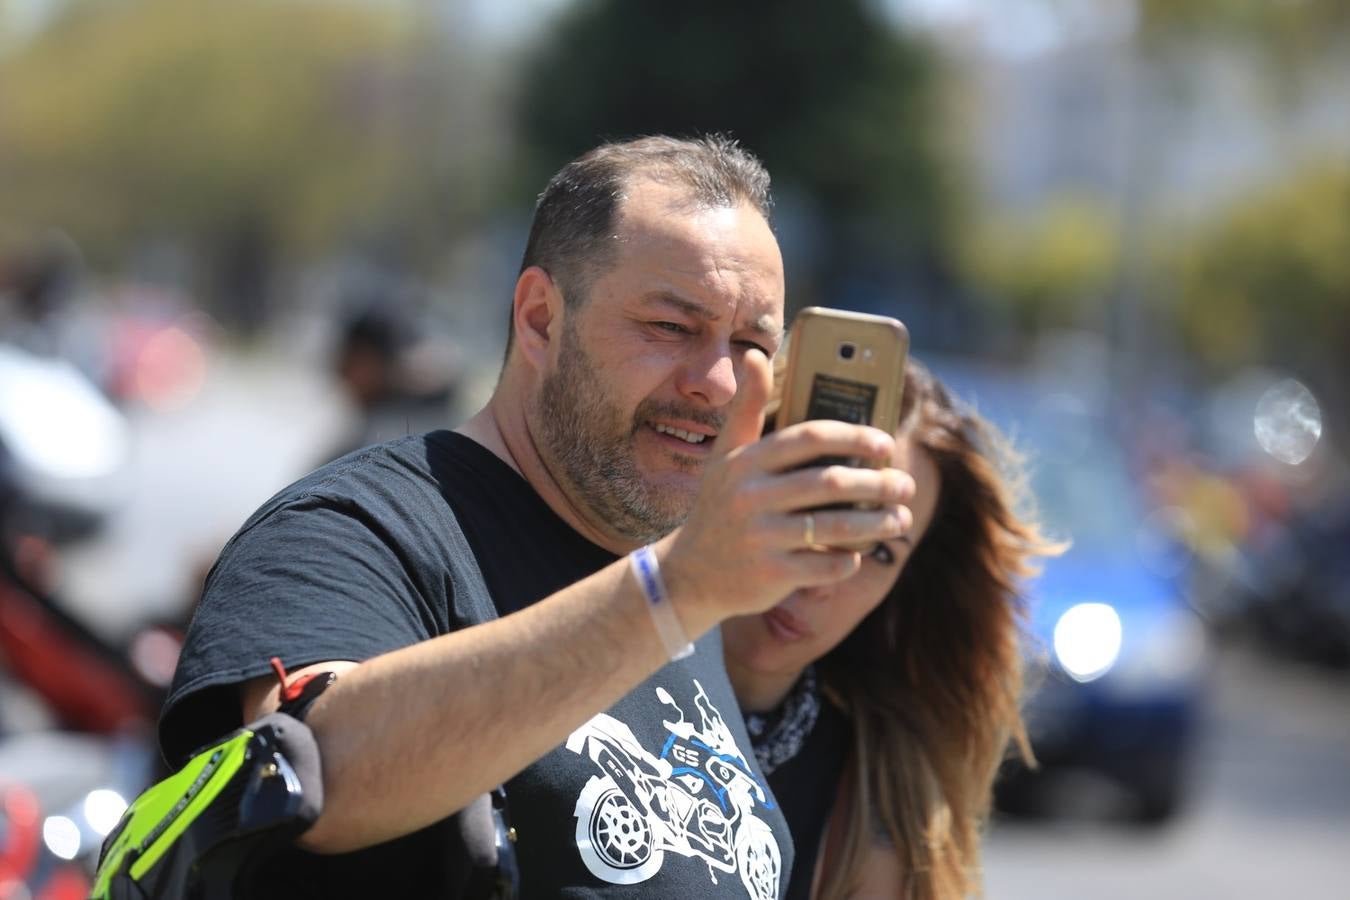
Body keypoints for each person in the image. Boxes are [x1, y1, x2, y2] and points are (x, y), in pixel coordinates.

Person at [159, 135, 916, 898]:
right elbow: (310, 775)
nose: (718, 382)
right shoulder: (351, 529)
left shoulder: (688, 591)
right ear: (540, 319)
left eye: (752, 342)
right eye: (671, 327)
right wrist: (675, 592)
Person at [723, 358, 1063, 900]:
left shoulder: (878, 800)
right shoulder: (595, 665)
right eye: (810, 504)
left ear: (900, 588)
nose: (823, 574)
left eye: (878, 549)